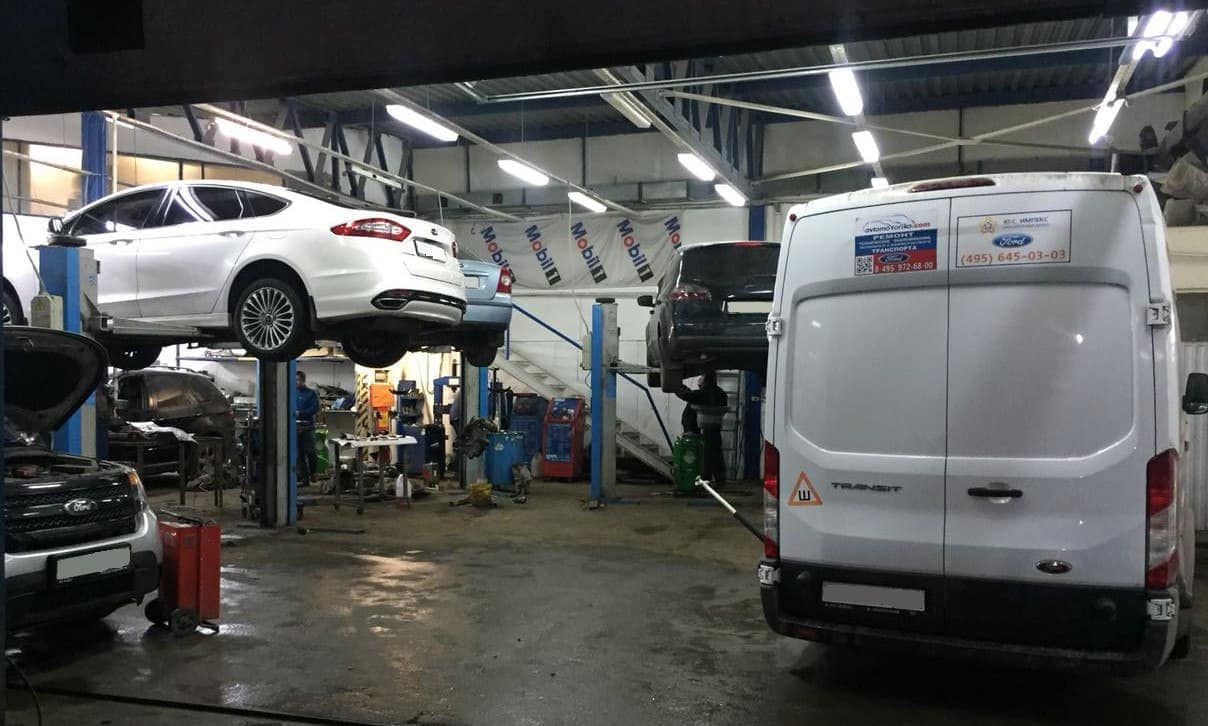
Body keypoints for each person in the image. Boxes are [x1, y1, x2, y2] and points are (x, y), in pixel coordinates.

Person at [677, 371, 728, 486]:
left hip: (702, 430)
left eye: (702, 377)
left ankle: (706, 479)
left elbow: (687, 395)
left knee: (704, 455)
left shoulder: (705, 393)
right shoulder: (720, 393)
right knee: (715, 454)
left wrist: (676, 386)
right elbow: (694, 395)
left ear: (706, 380)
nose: (699, 379)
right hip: (714, 428)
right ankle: (719, 480)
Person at [295, 370, 320, 485]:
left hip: (307, 427)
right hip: (294, 428)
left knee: (311, 452)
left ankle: (313, 473)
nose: (296, 382)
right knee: (299, 454)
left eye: (298, 380)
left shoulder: (311, 394)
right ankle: (305, 480)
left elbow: (314, 408)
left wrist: (301, 413)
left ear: (303, 381)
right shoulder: (291, 393)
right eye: (294, 380)